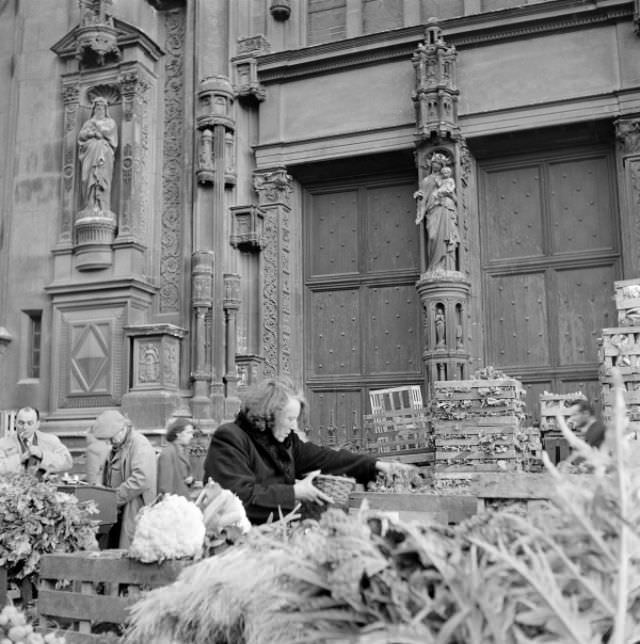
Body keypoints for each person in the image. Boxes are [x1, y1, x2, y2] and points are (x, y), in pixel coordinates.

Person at [203, 377, 417, 525]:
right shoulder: (230, 438)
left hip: (279, 530)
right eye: (289, 419)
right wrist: (295, 492)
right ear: (267, 416)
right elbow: (236, 498)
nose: (294, 426)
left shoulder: (285, 441)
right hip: (239, 540)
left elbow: (327, 458)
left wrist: (376, 465)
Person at [90, 409, 157, 548]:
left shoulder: (139, 444)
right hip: (116, 512)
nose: (110, 442)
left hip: (132, 510)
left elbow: (141, 478)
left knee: (127, 551)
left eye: (111, 437)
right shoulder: (118, 445)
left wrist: (114, 498)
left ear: (122, 429)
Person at [414, 154, 460, 273]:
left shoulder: (447, 179)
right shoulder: (426, 180)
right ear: (430, 164)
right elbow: (423, 196)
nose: (436, 165)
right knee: (433, 236)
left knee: (445, 236)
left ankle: (445, 266)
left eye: (439, 164)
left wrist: (448, 194)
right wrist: (418, 196)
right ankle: (433, 266)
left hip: (444, 209)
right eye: (434, 163)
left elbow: (455, 199)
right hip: (432, 210)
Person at [0, 407, 72, 476]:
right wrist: (19, 458)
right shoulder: (3, 443)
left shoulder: (50, 440)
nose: (25, 427)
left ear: (37, 424)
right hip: (13, 486)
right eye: (21, 423)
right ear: (15, 423)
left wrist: (42, 455)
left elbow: (67, 462)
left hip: (44, 485)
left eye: (30, 423)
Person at [77, 97, 118, 215]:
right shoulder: (88, 123)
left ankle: (102, 206)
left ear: (106, 109)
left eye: (102, 107)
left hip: (104, 155)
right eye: (97, 107)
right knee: (87, 178)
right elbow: (81, 136)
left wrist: (97, 127)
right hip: (89, 155)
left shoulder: (110, 122)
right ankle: (89, 205)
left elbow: (109, 132)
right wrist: (91, 133)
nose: (99, 109)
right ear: (94, 109)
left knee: (102, 180)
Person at [157, 418, 195, 499]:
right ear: (178, 434)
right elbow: (165, 486)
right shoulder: (167, 453)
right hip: (175, 504)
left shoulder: (183, 451)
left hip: (183, 501)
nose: (191, 436)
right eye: (188, 433)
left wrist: (190, 480)